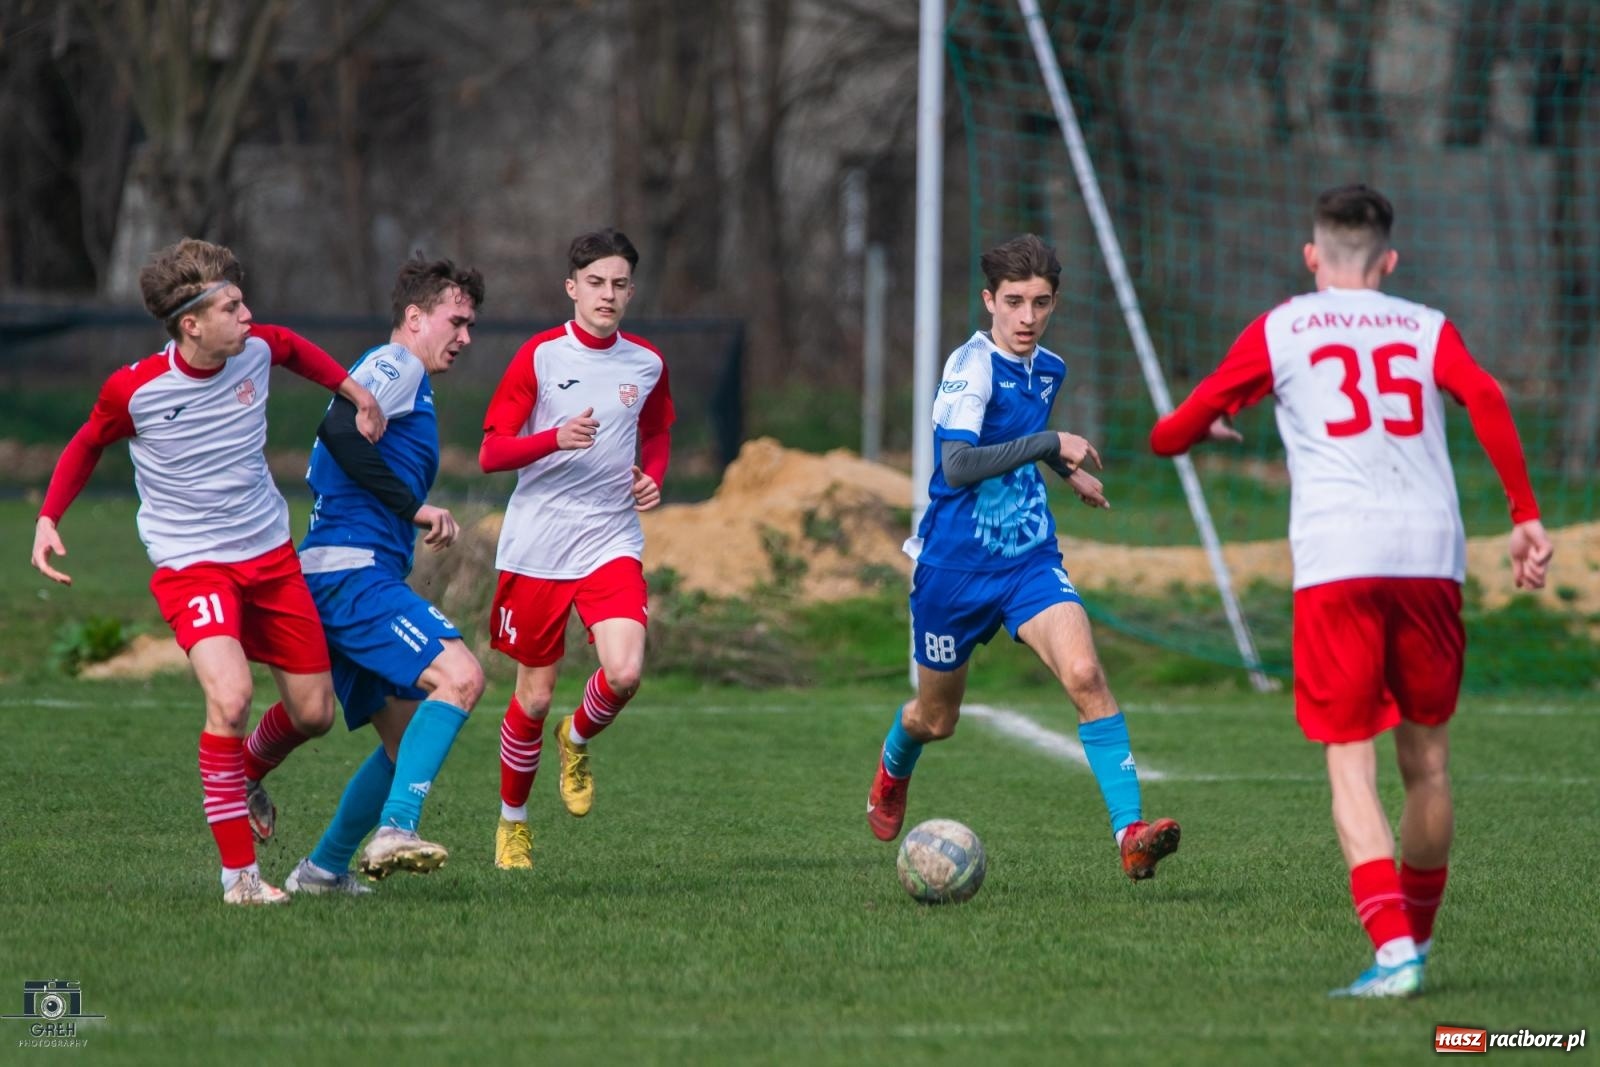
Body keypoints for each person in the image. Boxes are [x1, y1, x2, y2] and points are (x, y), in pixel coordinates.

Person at [1150, 184, 1553, 997]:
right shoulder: (1425, 325)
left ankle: (1395, 951)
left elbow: (1168, 435)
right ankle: (1414, 944)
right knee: (1429, 766)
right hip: (1430, 556)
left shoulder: (1284, 326)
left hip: (1340, 559)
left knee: (1349, 763)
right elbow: (1486, 396)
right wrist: (1525, 515)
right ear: (1389, 260)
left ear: (1312, 257)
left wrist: (1210, 422)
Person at [30, 238, 387, 906]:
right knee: (228, 698)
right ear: (192, 324)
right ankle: (241, 879)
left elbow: (292, 347)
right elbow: (85, 442)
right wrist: (49, 518)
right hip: (192, 567)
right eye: (231, 305)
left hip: (271, 559)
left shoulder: (255, 349)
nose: (247, 314)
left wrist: (356, 390)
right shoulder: (135, 389)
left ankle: (243, 768)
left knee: (314, 714)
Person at [866, 233, 1182, 883]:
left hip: (1028, 560)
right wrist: (1052, 441)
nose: (1026, 318)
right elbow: (956, 466)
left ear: (1054, 303)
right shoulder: (970, 367)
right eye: (1013, 302)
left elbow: (1017, 440)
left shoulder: (1049, 368)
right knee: (936, 718)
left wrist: (1066, 470)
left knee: (1087, 673)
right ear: (989, 300)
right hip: (952, 573)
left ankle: (1129, 833)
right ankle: (894, 766)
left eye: (1040, 303)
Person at [280, 255, 488, 894]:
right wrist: (416, 507)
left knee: (402, 743)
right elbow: (339, 427)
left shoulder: (401, 379)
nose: (466, 337)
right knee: (461, 676)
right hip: (352, 573)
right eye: (456, 320)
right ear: (415, 317)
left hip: (340, 571)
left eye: (471, 324)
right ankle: (397, 828)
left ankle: (321, 871)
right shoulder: (395, 365)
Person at [480, 228, 673, 870]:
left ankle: (578, 734)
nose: (607, 295)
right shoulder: (539, 356)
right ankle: (512, 824)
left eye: (619, 284)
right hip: (538, 541)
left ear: (630, 291)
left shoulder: (646, 363)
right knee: (532, 697)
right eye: (595, 283)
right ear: (572, 288)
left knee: (624, 672)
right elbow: (491, 450)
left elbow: (658, 427)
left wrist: (653, 477)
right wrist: (552, 438)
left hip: (611, 534)